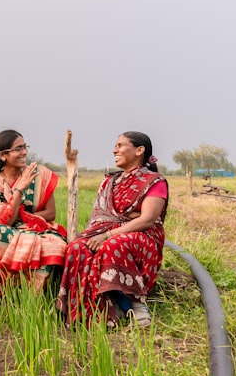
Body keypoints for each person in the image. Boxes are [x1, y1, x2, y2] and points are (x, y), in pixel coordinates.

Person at [56, 131, 168, 328]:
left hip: (143, 236)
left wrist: (108, 234)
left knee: (113, 244)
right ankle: (95, 307)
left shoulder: (154, 181)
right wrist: (122, 221)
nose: (114, 149)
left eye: (120, 145)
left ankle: (136, 304)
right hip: (115, 231)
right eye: (115, 145)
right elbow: (103, 216)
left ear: (139, 150)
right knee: (77, 248)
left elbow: (147, 219)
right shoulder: (110, 181)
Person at [0, 130, 67, 315]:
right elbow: (5, 220)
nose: (24, 152)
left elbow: (50, 213)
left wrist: (24, 219)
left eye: (25, 147)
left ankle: (30, 300)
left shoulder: (40, 174)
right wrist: (20, 189)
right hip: (9, 229)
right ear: (3, 155)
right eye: (18, 148)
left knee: (53, 244)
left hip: (40, 228)